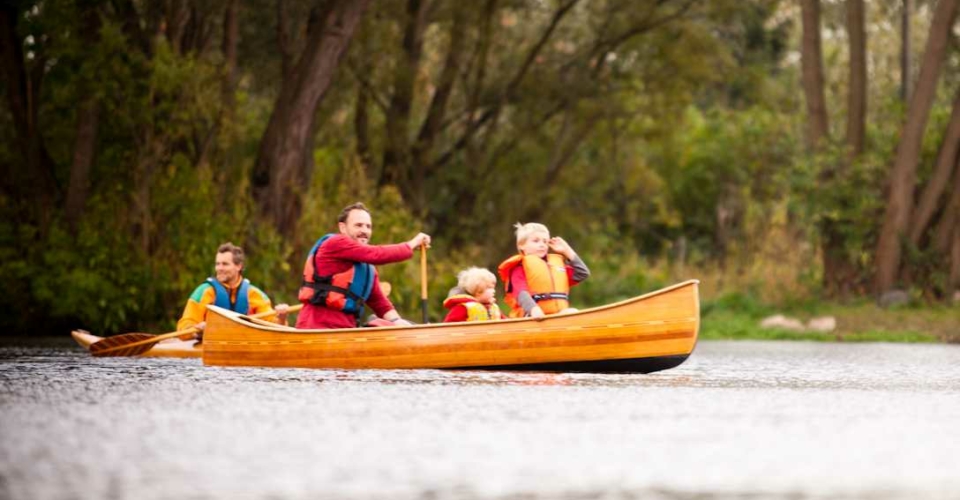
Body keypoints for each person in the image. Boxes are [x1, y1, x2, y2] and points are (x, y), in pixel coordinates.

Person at [296, 202, 431, 329]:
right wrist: (413, 243)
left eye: (368, 226)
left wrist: (399, 322)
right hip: (316, 328)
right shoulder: (335, 243)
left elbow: (380, 304)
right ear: (343, 227)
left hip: (346, 333)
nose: (364, 231)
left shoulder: (367, 270)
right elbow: (377, 254)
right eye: (358, 225)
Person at [177, 242, 289, 340]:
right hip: (208, 347)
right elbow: (184, 327)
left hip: (243, 347)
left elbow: (275, 328)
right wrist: (196, 331)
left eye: (225, 264)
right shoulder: (203, 292)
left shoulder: (255, 295)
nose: (219, 268)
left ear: (239, 266)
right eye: (217, 264)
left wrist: (282, 318)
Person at [497, 222, 590, 318]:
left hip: (557, 316)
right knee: (571, 312)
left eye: (545, 241)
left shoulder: (554, 266)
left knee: (572, 312)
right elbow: (521, 293)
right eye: (536, 241)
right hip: (532, 316)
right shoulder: (518, 268)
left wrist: (566, 250)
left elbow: (582, 273)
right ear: (521, 245)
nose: (542, 245)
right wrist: (533, 309)